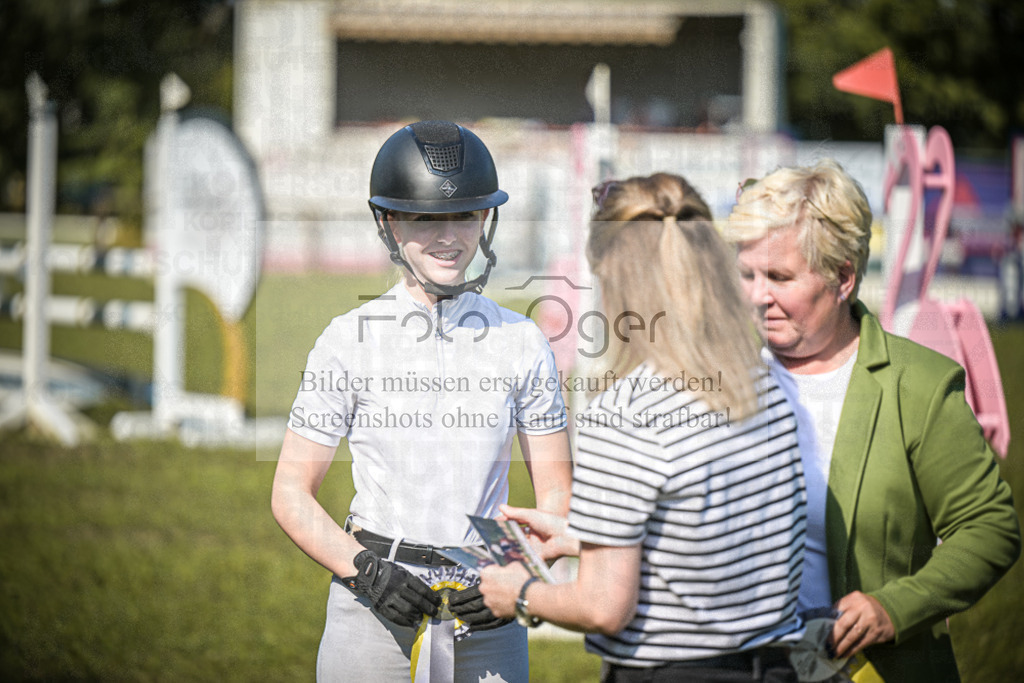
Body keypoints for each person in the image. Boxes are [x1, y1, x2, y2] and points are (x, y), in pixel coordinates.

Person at [271, 120, 573, 683]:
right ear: (388, 222)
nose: (448, 237)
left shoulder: (522, 340)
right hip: (373, 588)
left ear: (486, 219)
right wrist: (361, 570)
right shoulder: (346, 339)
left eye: (465, 215)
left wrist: (519, 571)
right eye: (424, 218)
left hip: (487, 599)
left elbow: (556, 493)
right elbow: (290, 491)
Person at [479, 173, 808, 682]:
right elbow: (707, 530)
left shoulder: (627, 412)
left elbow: (604, 607)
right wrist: (586, 534)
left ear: (614, 279)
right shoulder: (763, 380)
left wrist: (517, 594)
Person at [722, 159, 1020, 682]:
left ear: (843, 277)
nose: (756, 295)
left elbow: (990, 527)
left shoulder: (919, 385)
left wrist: (895, 608)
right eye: (748, 275)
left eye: (780, 277)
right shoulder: (723, 383)